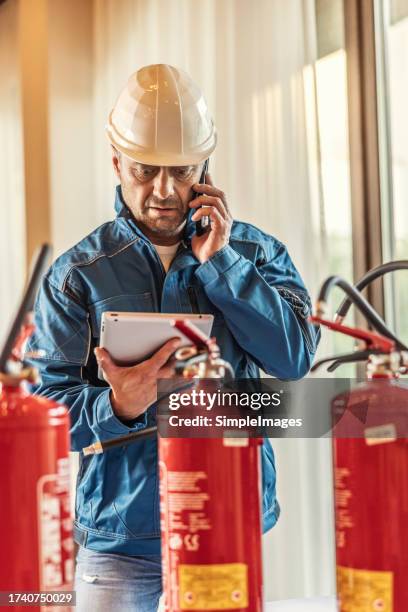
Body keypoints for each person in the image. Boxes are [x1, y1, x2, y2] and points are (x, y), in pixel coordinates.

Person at [27, 64, 319, 611]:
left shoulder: (257, 255)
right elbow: (41, 405)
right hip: (118, 534)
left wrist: (225, 267)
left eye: (182, 171)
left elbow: (294, 359)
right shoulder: (77, 275)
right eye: (144, 171)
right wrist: (118, 404)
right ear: (117, 163)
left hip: (227, 517)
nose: (164, 190)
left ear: (204, 168)